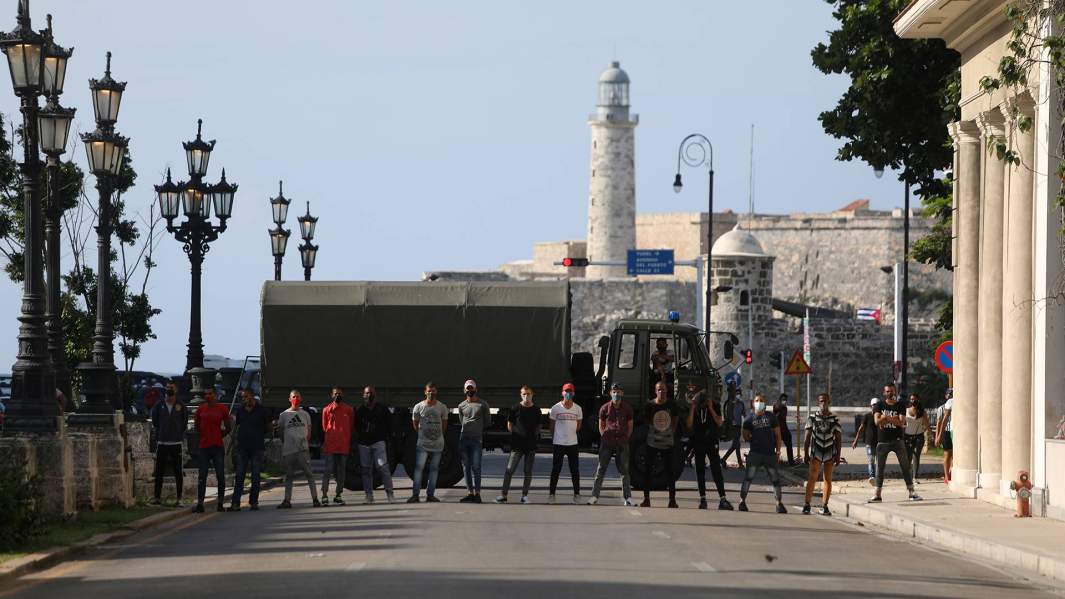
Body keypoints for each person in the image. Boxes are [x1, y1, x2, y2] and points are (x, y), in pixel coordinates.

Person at [869, 383, 921, 503]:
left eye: (892, 391)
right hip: (882, 441)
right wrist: (893, 418)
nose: (890, 393)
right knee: (879, 469)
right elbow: (877, 421)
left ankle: (911, 492)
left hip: (898, 441)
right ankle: (877, 494)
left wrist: (886, 417)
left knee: (905, 467)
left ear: (895, 392)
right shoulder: (879, 405)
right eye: (887, 391)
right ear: (884, 392)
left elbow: (901, 423)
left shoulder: (900, 405)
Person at [738, 393, 787, 514]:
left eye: (761, 400)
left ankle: (779, 503)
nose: (759, 402)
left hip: (770, 454)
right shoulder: (749, 419)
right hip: (755, 453)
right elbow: (745, 435)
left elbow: (778, 435)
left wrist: (778, 451)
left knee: (775, 479)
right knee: (748, 478)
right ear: (753, 403)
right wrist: (752, 438)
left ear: (765, 403)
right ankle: (742, 501)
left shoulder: (771, 417)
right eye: (757, 400)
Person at [686, 386, 733, 510]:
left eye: (705, 401)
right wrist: (692, 407)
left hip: (711, 442)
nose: (703, 404)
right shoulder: (695, 408)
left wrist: (711, 407)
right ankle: (703, 499)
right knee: (699, 470)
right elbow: (689, 424)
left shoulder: (715, 406)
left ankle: (722, 498)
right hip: (698, 442)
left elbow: (719, 422)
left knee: (716, 469)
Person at [589, 382, 635, 506]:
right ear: (610, 393)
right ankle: (594, 496)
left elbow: (630, 426)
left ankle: (628, 497)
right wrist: (604, 436)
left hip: (622, 442)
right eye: (614, 392)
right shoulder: (604, 408)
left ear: (622, 393)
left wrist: (626, 437)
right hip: (607, 442)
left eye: (618, 392)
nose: (616, 394)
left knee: (625, 471)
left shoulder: (627, 408)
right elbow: (601, 425)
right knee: (601, 469)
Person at [496, 386, 541, 504]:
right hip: (517, 446)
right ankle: (503, 495)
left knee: (528, 471)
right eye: (524, 394)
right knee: (509, 470)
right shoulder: (515, 408)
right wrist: (517, 435)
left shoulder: (537, 410)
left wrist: (532, 436)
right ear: (521, 395)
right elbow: (509, 425)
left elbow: (539, 426)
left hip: (530, 446)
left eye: (529, 394)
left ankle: (524, 496)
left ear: (532, 394)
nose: (526, 396)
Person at [277, 390, 321, 509]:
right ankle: (287, 500)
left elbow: (309, 432)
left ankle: (315, 499)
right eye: (293, 397)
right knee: (289, 476)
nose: (295, 399)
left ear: (301, 399)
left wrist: (304, 443)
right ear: (289, 399)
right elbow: (280, 432)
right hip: (289, 450)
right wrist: (286, 442)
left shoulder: (305, 414)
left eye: (297, 397)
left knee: (309, 474)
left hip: (302, 450)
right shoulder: (283, 415)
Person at [802, 393, 842, 515]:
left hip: (830, 452)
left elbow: (839, 438)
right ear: (818, 403)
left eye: (825, 401)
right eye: (821, 401)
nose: (823, 403)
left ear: (829, 402)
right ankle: (807, 504)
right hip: (816, 452)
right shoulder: (812, 418)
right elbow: (807, 438)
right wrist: (806, 453)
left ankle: (825, 505)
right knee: (812, 478)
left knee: (828, 480)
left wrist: (838, 455)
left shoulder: (834, 419)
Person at [230, 388, 269, 511]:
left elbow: (267, 427)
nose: (244, 399)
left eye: (246, 397)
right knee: (240, 475)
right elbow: (237, 426)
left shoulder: (261, 410)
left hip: (257, 447)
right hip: (242, 447)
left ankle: (254, 502)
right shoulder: (240, 410)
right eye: (242, 397)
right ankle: (235, 503)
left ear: (252, 396)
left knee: (255, 475)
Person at [193, 388, 231, 513]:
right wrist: (204, 435)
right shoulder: (201, 409)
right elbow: (197, 426)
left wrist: (220, 435)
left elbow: (228, 426)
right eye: (206, 394)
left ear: (215, 395)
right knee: (202, 476)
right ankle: (200, 503)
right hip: (204, 446)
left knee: (220, 475)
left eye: (210, 394)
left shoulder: (222, 408)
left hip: (217, 446)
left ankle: (220, 502)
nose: (207, 396)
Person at [409, 382, 448, 503]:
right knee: (419, 468)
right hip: (423, 444)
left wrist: (436, 435)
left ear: (436, 392)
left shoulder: (442, 407)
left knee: (434, 469)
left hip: (438, 444)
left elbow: (444, 426)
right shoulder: (418, 407)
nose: (431, 393)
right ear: (425, 392)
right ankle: (415, 495)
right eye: (429, 391)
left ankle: (430, 495)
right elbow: (415, 424)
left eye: (433, 391)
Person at [641, 381, 678, 508]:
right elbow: (646, 420)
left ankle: (672, 500)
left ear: (667, 391)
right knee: (648, 470)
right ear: (655, 391)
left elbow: (675, 419)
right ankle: (646, 499)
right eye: (659, 390)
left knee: (670, 471)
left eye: (664, 389)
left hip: (667, 442)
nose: (662, 392)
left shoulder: (671, 404)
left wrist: (670, 431)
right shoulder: (650, 405)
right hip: (652, 442)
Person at [149, 383, 186, 506]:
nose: (169, 390)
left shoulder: (181, 405)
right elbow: (155, 421)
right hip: (163, 442)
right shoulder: (159, 405)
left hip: (176, 442)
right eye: (168, 388)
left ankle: (179, 498)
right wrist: (161, 432)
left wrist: (178, 432)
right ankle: (157, 497)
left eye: (172, 388)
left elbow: (184, 422)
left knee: (178, 471)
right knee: (159, 470)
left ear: (176, 390)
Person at [356, 385, 394, 503]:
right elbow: (356, 427)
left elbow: (390, 424)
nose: (369, 395)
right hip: (364, 444)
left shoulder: (382, 409)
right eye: (367, 393)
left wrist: (388, 439)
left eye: (371, 393)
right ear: (363, 395)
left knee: (383, 467)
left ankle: (390, 494)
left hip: (378, 442)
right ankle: (369, 496)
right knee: (366, 470)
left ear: (375, 395)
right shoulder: (360, 410)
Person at [548, 382, 583, 504]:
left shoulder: (578, 409)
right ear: (562, 393)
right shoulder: (555, 408)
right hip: (559, 443)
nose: (568, 394)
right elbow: (552, 426)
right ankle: (552, 494)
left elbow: (578, 426)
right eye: (566, 391)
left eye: (570, 392)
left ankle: (577, 494)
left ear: (573, 393)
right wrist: (556, 437)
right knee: (556, 469)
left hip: (572, 444)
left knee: (574, 470)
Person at [457, 379, 490, 503]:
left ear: (475, 389)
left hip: (476, 440)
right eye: (468, 388)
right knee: (466, 467)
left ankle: (477, 494)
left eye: (471, 388)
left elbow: (487, 421)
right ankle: (470, 493)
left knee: (476, 467)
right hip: (464, 438)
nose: (469, 390)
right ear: (464, 390)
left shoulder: (483, 404)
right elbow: (462, 421)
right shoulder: (461, 405)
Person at [321, 387, 354, 506]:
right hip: (330, 446)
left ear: (343, 395)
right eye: (335, 394)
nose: (337, 396)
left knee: (341, 472)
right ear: (331, 395)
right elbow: (325, 427)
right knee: (328, 470)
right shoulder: (326, 410)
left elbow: (351, 426)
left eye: (339, 394)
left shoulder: (349, 410)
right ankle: (324, 495)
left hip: (343, 445)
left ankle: (338, 495)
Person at [851, 398, 879, 486]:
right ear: (871, 406)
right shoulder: (867, 416)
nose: (874, 407)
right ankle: (872, 476)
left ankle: (878, 477)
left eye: (876, 405)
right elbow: (861, 429)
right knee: (871, 460)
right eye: (873, 405)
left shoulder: (881, 416)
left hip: (880, 443)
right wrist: (856, 440)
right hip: (869, 442)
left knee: (879, 462)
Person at [904, 393, 930, 482]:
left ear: (918, 400)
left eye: (914, 399)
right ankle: (908, 475)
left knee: (916, 456)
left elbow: (927, 424)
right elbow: (902, 423)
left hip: (919, 436)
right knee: (908, 457)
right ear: (909, 400)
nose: (913, 401)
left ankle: (914, 477)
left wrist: (931, 435)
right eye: (911, 399)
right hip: (907, 436)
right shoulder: (906, 410)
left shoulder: (922, 412)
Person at [721, 390, 745, 469]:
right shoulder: (731, 404)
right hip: (732, 427)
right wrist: (732, 421)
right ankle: (740, 463)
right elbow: (728, 414)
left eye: (739, 394)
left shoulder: (741, 404)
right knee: (737, 445)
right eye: (737, 394)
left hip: (738, 426)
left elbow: (744, 414)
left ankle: (723, 459)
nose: (738, 395)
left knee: (735, 445)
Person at [935, 388, 953, 484]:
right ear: (945, 396)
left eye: (952, 394)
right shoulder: (941, 408)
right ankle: (947, 475)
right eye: (949, 394)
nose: (950, 395)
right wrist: (938, 436)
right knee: (947, 454)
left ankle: (951, 472)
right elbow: (939, 422)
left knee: (955, 455)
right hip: (946, 431)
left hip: (954, 430)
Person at [774, 393, 794, 466]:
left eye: (785, 400)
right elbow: (775, 416)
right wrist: (779, 408)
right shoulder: (776, 407)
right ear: (780, 400)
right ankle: (774, 461)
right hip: (777, 430)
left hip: (784, 429)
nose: (784, 401)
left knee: (789, 444)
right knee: (774, 446)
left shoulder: (785, 408)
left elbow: (783, 418)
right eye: (783, 400)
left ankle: (791, 461)